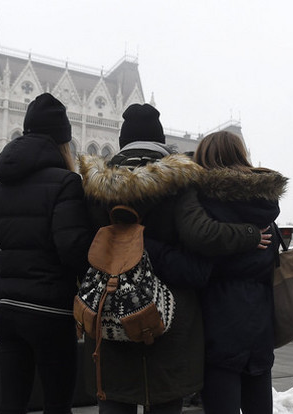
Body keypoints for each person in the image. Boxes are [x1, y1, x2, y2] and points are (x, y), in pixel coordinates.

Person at [78, 107, 266, 414]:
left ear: (122, 141)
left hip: (111, 312)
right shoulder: (181, 181)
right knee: (165, 399)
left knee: (115, 396)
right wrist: (246, 235)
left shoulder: (93, 186)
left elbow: (80, 245)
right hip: (170, 317)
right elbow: (199, 236)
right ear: (161, 140)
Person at [0, 93, 94, 414]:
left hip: (8, 310)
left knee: (11, 404)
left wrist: (7, 279)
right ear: (63, 141)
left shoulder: (0, 188)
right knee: (56, 404)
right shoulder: (67, 183)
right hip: (51, 312)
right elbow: (72, 249)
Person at [190, 130, 286, 414]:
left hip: (217, 324)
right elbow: (268, 262)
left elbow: (201, 263)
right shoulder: (264, 206)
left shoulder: (205, 204)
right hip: (259, 325)